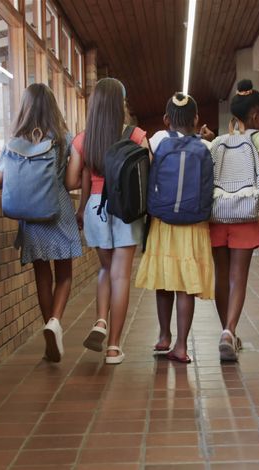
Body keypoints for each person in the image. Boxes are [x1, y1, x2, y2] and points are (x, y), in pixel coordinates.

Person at [0, 83, 82, 363]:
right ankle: (55, 322)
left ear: (24, 109)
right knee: (64, 275)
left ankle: (49, 329)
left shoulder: (14, 143)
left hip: (31, 219)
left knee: (43, 275)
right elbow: (70, 181)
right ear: (53, 108)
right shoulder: (63, 139)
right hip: (59, 212)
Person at [66, 77, 148, 365]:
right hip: (126, 208)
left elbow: (70, 181)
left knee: (105, 269)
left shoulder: (83, 140)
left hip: (95, 207)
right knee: (121, 275)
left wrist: (89, 170)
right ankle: (113, 347)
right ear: (120, 104)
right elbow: (146, 172)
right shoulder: (135, 135)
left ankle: (100, 320)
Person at [136, 93, 215, 363]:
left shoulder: (159, 139)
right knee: (185, 286)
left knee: (164, 280)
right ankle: (181, 346)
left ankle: (163, 335)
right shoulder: (205, 146)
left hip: (163, 221)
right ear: (196, 119)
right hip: (194, 224)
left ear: (166, 119)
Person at [211, 79, 259, 362]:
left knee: (222, 276)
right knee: (239, 278)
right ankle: (230, 330)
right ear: (255, 115)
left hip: (218, 213)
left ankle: (226, 331)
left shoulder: (218, 142)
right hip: (245, 213)